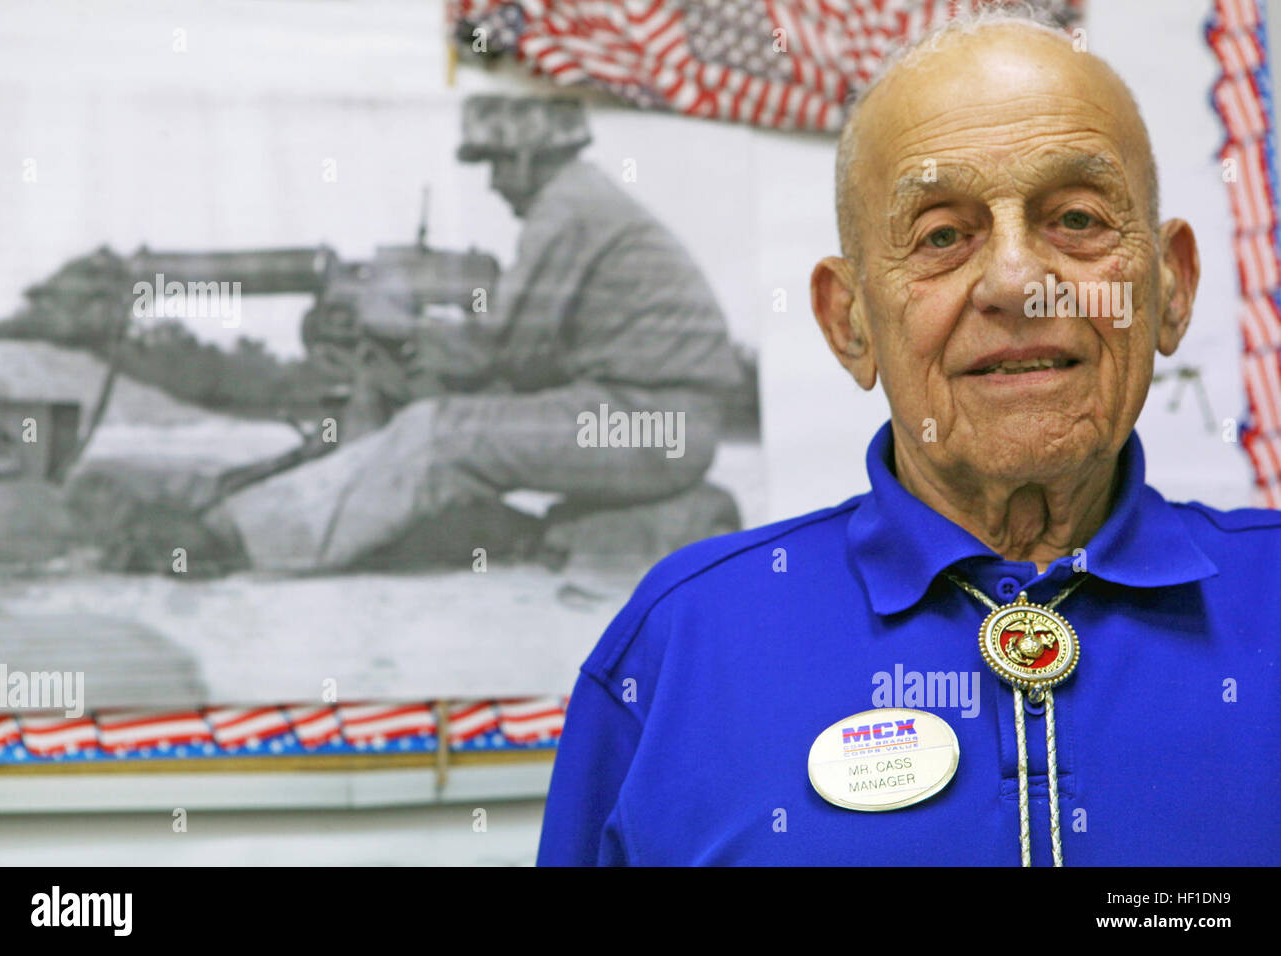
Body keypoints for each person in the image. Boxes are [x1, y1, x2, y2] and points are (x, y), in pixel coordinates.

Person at [537, 7, 1281, 866]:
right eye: (940, 235)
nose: (1015, 281)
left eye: (1076, 219)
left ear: (1172, 285)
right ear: (848, 321)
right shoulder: (684, 645)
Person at [72, 95, 744, 573]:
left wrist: (404, 328)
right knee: (441, 424)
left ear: (525, 152)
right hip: (657, 417)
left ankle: (236, 541)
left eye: (494, 162)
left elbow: (503, 351)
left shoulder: (567, 207)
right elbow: (522, 356)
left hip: (653, 422)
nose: (493, 183)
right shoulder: (585, 201)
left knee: (442, 435)